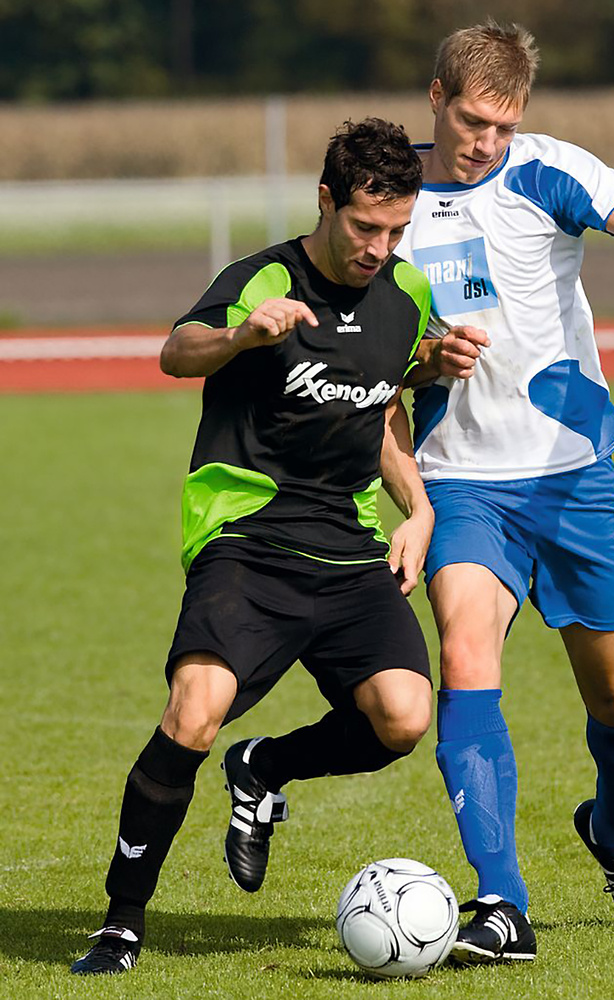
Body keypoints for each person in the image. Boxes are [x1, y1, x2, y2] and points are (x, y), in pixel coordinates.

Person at [70, 118, 435, 975]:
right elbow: (175, 352)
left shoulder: (409, 294)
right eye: (364, 228)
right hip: (249, 540)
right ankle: (122, 922)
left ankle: (264, 767)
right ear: (325, 202)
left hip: (348, 548)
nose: (379, 249)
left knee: (403, 719)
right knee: (192, 711)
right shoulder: (264, 278)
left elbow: (382, 405)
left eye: (395, 232)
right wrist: (241, 335)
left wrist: (417, 509)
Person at [395, 21, 614, 963]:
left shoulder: (547, 170)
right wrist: (423, 360)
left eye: (502, 123)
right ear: (435, 97)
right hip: (460, 482)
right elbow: (369, 340)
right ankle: (501, 903)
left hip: (573, 475)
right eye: (469, 119)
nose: (484, 140)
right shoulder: (394, 195)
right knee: (463, 651)